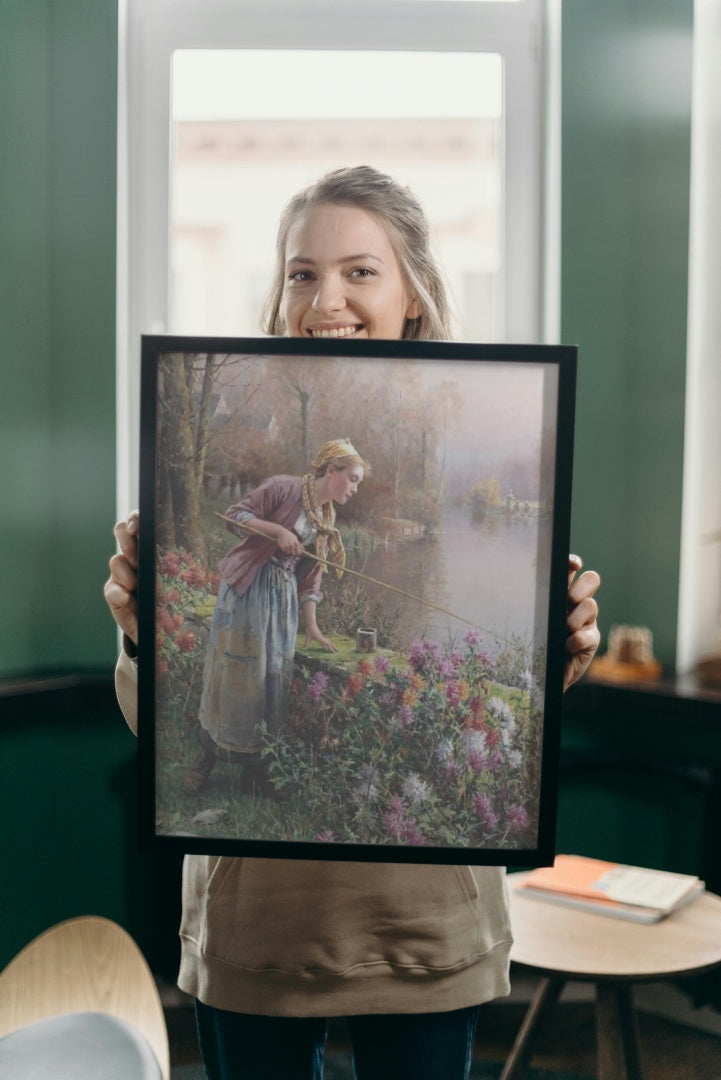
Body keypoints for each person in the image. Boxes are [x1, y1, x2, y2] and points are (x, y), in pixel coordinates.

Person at [105, 165, 601, 1080]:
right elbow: (149, 714)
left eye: (359, 271)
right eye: (301, 272)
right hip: (257, 928)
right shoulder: (277, 472)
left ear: (413, 291)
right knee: (234, 690)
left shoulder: (370, 491)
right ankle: (236, 755)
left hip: (423, 929)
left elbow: (323, 599)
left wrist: (554, 654)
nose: (324, 297)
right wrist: (140, 633)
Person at [184, 437, 367, 796]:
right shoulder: (284, 487)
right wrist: (278, 531)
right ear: (332, 471)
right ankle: (205, 760)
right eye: (354, 478)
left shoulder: (326, 519)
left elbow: (312, 576)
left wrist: (311, 626)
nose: (356, 488)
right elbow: (234, 515)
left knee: (270, 683)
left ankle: (256, 769)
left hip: (281, 602)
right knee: (234, 675)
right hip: (248, 589)